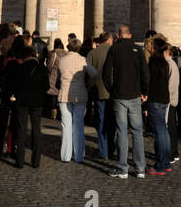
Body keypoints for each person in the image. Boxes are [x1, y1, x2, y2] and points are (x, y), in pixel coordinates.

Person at [103, 24, 149, 179]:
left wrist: (112, 89)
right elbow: (145, 73)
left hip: (119, 95)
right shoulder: (138, 50)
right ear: (130, 35)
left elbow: (106, 73)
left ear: (119, 35)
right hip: (135, 95)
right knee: (137, 132)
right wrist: (145, 92)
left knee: (122, 132)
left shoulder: (114, 49)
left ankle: (123, 168)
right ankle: (140, 168)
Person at [10, 44, 50, 168]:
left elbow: (15, 85)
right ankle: (36, 160)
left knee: (22, 129)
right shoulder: (42, 69)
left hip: (22, 102)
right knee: (36, 129)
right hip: (37, 102)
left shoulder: (21, 68)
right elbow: (47, 87)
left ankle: (20, 160)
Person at [56, 38, 96, 163]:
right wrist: (89, 84)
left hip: (64, 93)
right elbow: (94, 73)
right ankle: (79, 155)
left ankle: (65, 155)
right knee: (78, 124)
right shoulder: (83, 60)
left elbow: (58, 76)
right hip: (80, 93)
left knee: (65, 124)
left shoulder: (62, 60)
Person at [146, 38, 174, 175]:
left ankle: (160, 165)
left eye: (151, 44)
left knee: (158, 133)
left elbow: (149, 82)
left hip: (155, 99)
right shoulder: (165, 63)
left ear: (155, 47)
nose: (149, 46)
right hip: (164, 99)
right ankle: (166, 162)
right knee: (164, 131)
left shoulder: (153, 62)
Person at [86, 31, 116, 159]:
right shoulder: (115, 51)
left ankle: (103, 151)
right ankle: (111, 149)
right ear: (109, 39)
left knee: (101, 122)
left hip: (98, 92)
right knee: (112, 122)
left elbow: (88, 73)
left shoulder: (92, 53)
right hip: (113, 92)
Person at [165, 42, 180, 163]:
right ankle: (173, 152)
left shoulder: (170, 64)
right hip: (171, 99)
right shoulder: (171, 63)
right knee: (171, 126)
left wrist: (166, 98)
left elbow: (172, 85)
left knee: (170, 127)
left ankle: (172, 152)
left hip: (170, 100)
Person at [45, 38, 64, 119]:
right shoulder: (66, 53)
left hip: (54, 76)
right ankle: (60, 111)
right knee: (60, 94)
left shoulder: (53, 53)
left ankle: (54, 112)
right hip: (62, 76)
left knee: (53, 95)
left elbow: (49, 66)